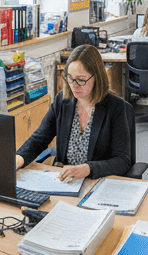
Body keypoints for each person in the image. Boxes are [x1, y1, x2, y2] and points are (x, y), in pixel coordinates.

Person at [15, 44, 134, 181]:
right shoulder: (63, 100)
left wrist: (88, 168)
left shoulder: (115, 107)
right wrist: (19, 158)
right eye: (70, 78)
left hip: (98, 182)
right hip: (66, 181)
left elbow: (123, 161)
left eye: (81, 80)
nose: (74, 85)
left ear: (97, 77)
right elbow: (39, 138)